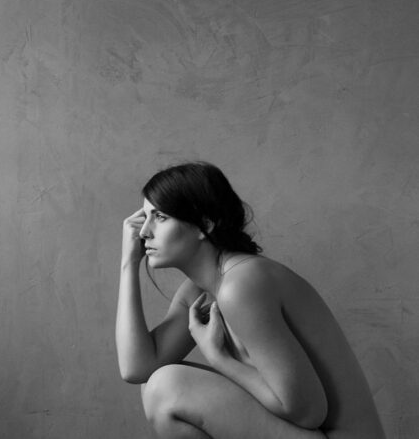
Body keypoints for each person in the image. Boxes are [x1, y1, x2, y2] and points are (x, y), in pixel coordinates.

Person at [115, 162, 385, 438]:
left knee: (167, 385)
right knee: (154, 382)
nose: (144, 232)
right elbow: (138, 368)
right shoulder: (200, 291)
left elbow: (308, 411)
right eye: (145, 217)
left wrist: (219, 357)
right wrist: (128, 263)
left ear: (204, 224)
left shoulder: (242, 284)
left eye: (160, 217)